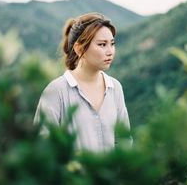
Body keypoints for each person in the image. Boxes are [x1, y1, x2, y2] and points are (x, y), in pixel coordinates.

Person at [33, 12, 131, 152]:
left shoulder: (115, 87)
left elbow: (124, 140)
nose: (110, 51)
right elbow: (43, 147)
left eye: (112, 44)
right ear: (79, 49)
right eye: (102, 44)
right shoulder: (56, 91)